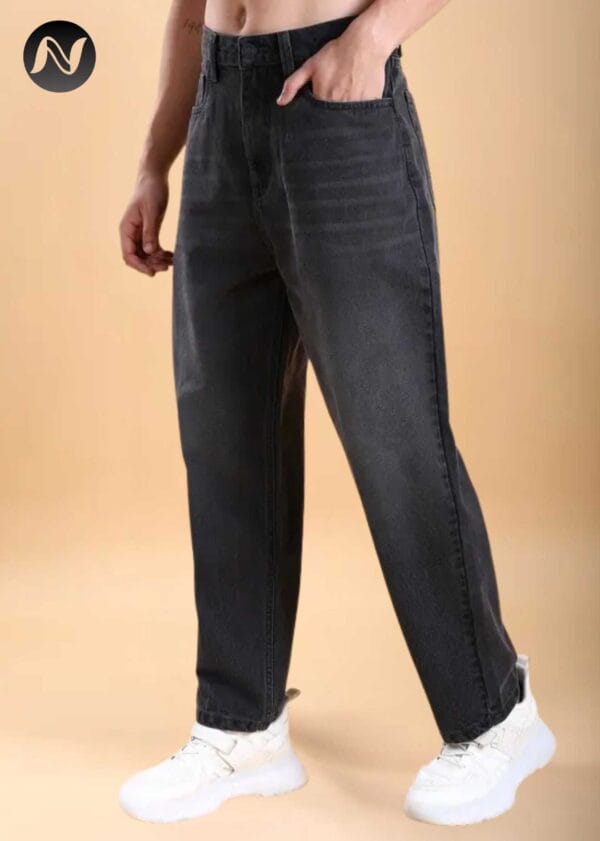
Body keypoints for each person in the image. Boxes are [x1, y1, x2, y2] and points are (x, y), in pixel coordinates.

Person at [118, 0, 555, 826]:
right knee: (226, 433)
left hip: (335, 100)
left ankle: (497, 715)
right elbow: (188, 10)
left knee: (393, 429)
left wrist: (372, 39)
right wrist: (154, 163)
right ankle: (242, 725)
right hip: (219, 110)